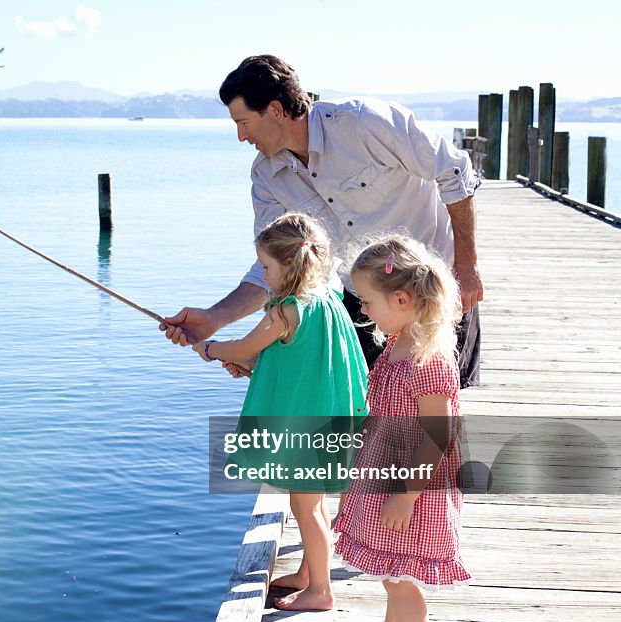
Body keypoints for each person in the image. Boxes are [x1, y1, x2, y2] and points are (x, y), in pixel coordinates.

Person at [161, 54, 482, 389]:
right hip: (365, 306)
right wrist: (215, 319)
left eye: (244, 122)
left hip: (436, 291)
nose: (241, 136)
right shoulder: (267, 177)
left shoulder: (363, 123)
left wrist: (467, 266)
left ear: (275, 110)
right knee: (368, 417)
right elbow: (276, 267)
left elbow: (455, 172)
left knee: (442, 413)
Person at [192, 213, 368, 611]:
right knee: (316, 503)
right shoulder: (327, 298)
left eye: (266, 268)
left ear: (289, 265)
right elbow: (298, 359)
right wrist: (255, 367)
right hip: (328, 415)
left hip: (307, 425)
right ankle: (308, 574)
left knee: (303, 507)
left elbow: (245, 347)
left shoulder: (285, 310)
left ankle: (320, 591)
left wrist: (211, 349)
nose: (264, 277)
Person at [331, 236, 470, 622]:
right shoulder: (397, 344)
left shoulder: (428, 360)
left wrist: (406, 496)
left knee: (403, 579)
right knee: (392, 570)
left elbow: (437, 436)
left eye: (368, 301)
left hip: (413, 491)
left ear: (403, 298)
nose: (364, 311)